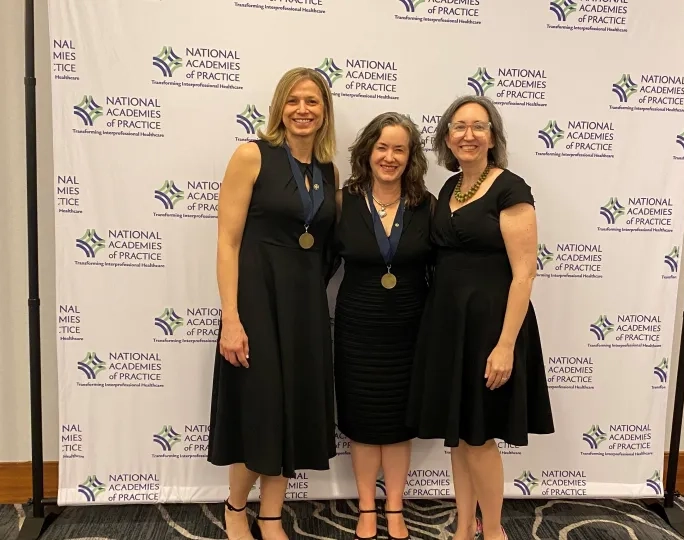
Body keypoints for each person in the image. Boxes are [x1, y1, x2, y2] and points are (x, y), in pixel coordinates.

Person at [406, 95, 555, 540]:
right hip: (450, 326)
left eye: (478, 126)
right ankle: (462, 528)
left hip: (490, 327)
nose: (468, 135)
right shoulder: (451, 188)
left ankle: (492, 531)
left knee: (480, 438)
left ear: (493, 137)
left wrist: (505, 345)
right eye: (459, 127)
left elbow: (524, 274)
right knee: (460, 436)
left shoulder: (511, 189)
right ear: (447, 137)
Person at [207, 67, 339, 540]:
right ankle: (235, 508)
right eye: (293, 100)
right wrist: (231, 317)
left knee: (292, 410)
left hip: (304, 307)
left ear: (325, 112)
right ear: (279, 108)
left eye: (313, 101)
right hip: (257, 303)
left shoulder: (328, 171)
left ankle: (270, 516)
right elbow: (227, 243)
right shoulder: (252, 156)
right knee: (259, 409)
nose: (303, 110)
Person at [333, 112, 434, 540]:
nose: (389, 157)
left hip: (410, 329)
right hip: (357, 327)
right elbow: (318, 263)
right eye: (382, 147)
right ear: (367, 152)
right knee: (362, 421)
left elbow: (441, 268)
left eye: (399, 149)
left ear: (411, 157)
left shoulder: (427, 205)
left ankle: (394, 507)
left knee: (397, 423)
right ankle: (366, 508)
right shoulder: (344, 202)